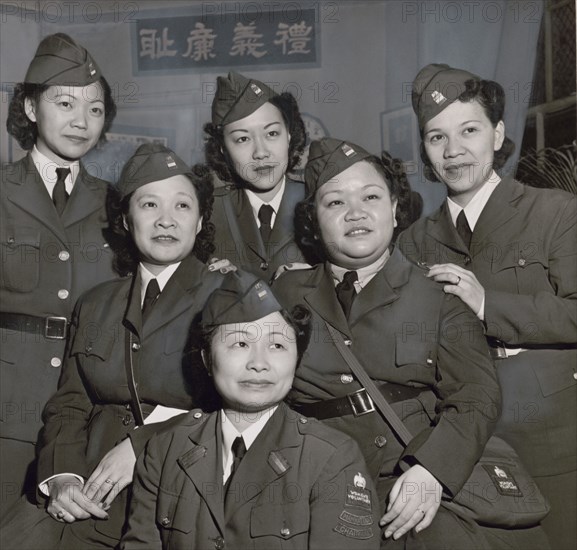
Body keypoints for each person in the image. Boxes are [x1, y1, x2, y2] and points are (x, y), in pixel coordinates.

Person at [272, 137, 550, 549]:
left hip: (409, 478)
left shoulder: (437, 294)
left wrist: (432, 470)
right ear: (313, 219)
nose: (356, 213)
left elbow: (476, 395)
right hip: (314, 484)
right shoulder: (281, 295)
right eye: (334, 203)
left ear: (395, 207)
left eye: (371, 196)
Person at [0, 144, 226, 549]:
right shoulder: (97, 302)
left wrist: (143, 444)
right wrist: (62, 475)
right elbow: (70, 403)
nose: (165, 220)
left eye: (182, 206)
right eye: (149, 205)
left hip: (182, 484)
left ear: (200, 220)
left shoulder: (227, 294)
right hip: (89, 482)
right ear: (125, 218)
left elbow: (242, 403)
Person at [398, 63, 577, 550]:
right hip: (465, 452)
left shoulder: (554, 212)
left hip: (552, 444)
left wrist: (487, 304)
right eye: (437, 138)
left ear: (498, 134)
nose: (453, 151)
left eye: (469, 131)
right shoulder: (412, 242)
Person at [121, 270, 380, 550]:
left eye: (277, 345)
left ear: (296, 361)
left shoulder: (331, 458)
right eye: (240, 343)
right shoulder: (164, 451)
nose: (259, 363)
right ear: (207, 359)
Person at [0, 33, 117, 518]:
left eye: (94, 109)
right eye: (65, 103)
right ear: (30, 107)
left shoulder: (118, 203)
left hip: (85, 411)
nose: (81, 121)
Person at [204, 71, 307, 281]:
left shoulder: (322, 200)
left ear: (288, 135)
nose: (261, 152)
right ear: (223, 148)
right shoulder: (205, 212)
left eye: (271, 134)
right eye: (242, 139)